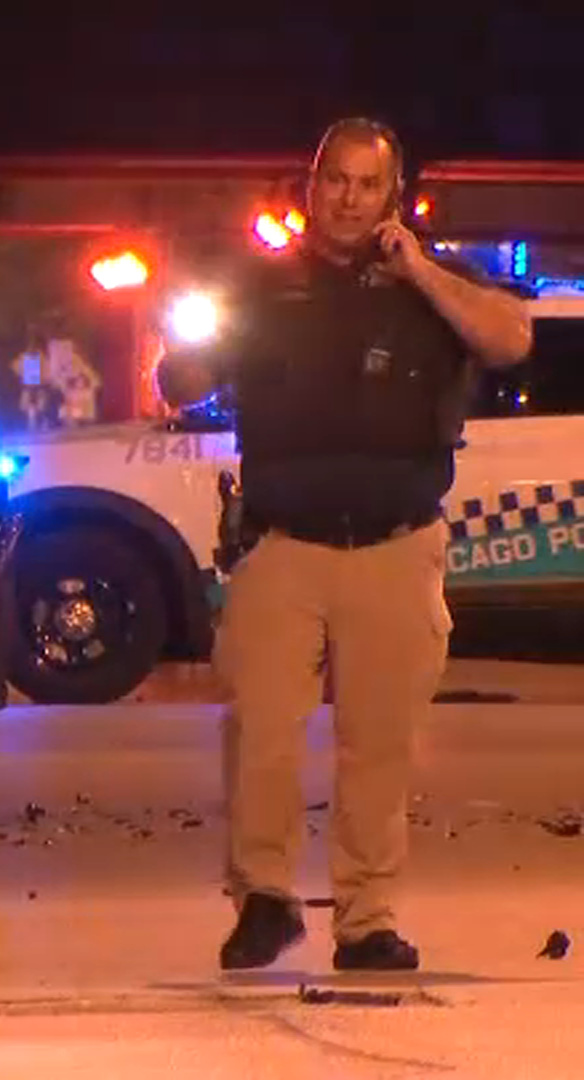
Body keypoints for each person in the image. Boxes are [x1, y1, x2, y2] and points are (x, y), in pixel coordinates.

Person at [158, 118, 533, 972]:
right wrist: (190, 353)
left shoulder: (434, 282)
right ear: (311, 185)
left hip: (398, 547)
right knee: (261, 730)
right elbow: (179, 380)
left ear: (392, 198)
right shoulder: (262, 285)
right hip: (283, 544)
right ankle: (263, 899)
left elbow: (510, 340)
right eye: (336, 181)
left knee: (379, 744)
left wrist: (421, 272)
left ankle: (366, 921)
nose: (349, 199)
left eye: (368, 185)